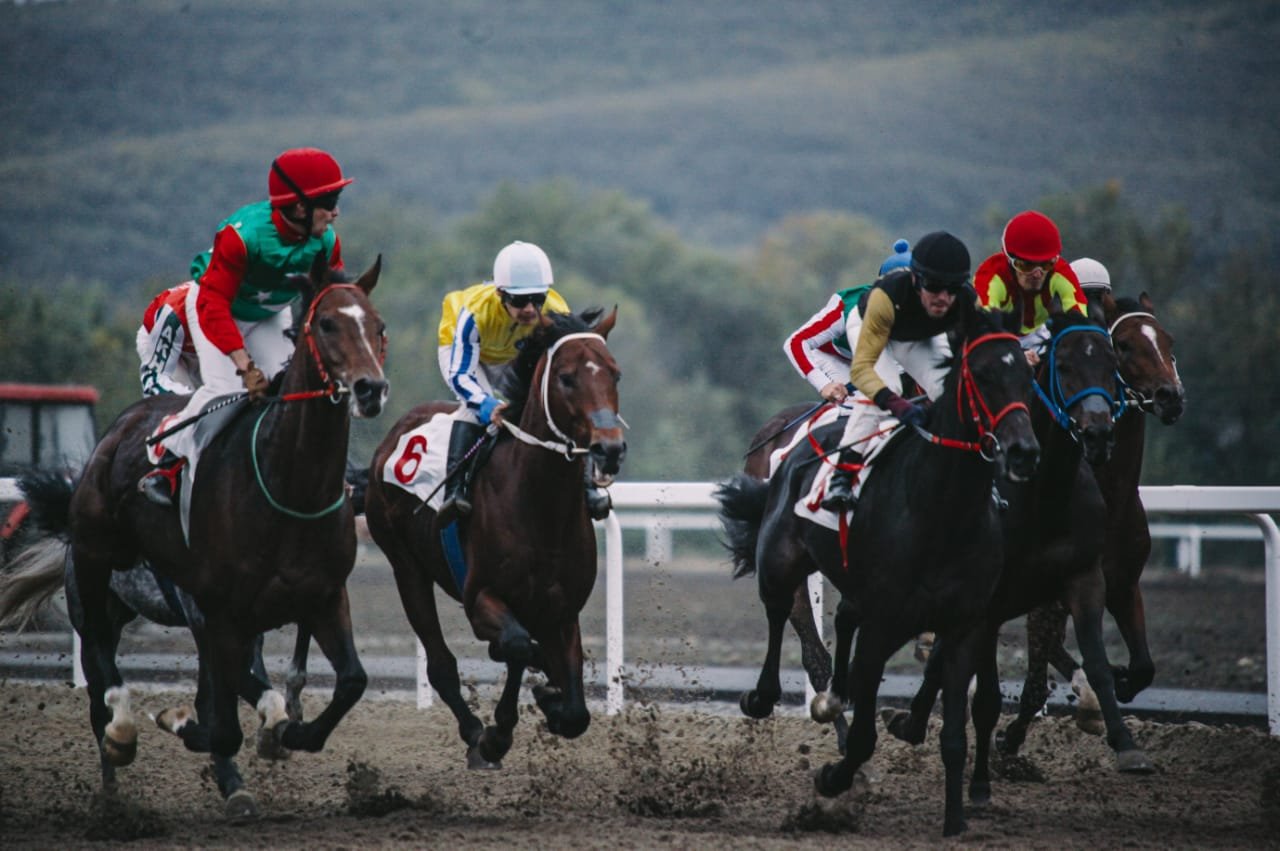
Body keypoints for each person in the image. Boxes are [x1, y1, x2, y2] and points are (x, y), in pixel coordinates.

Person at [138, 147, 353, 506]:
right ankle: (167, 455)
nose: (336, 212)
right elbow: (212, 305)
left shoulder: (326, 243)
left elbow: (330, 302)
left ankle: (321, 472)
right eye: (329, 202)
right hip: (217, 311)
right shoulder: (241, 237)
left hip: (268, 315)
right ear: (299, 208)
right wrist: (244, 364)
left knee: (292, 392)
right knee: (227, 392)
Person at [435, 240, 613, 523]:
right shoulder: (475, 314)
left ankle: (588, 487)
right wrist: (486, 406)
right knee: (472, 411)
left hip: (512, 354)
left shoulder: (556, 310)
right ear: (500, 294)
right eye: (519, 301)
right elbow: (460, 374)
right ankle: (455, 492)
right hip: (467, 353)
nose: (530, 309)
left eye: (537, 299)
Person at [821, 231, 975, 510]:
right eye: (934, 286)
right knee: (885, 387)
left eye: (952, 289)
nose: (943, 298)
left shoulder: (966, 299)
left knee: (948, 392)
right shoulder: (885, 296)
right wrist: (896, 404)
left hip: (917, 335)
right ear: (915, 279)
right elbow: (861, 370)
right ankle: (842, 476)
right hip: (873, 323)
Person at [783, 239, 913, 404]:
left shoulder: (933, 305)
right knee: (862, 404)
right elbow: (795, 343)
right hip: (835, 357)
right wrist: (824, 385)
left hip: (874, 360)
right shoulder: (847, 306)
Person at [973, 210, 1087, 364]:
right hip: (1000, 337)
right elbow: (986, 326)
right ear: (1009, 260)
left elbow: (1079, 318)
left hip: (1040, 334)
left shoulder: (1061, 271)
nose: (1037, 274)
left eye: (1046, 264)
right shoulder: (990, 276)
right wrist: (1017, 354)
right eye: (1026, 265)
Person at [137, 282, 200, 397]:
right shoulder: (174, 314)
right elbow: (155, 380)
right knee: (181, 399)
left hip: (197, 346)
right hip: (161, 339)